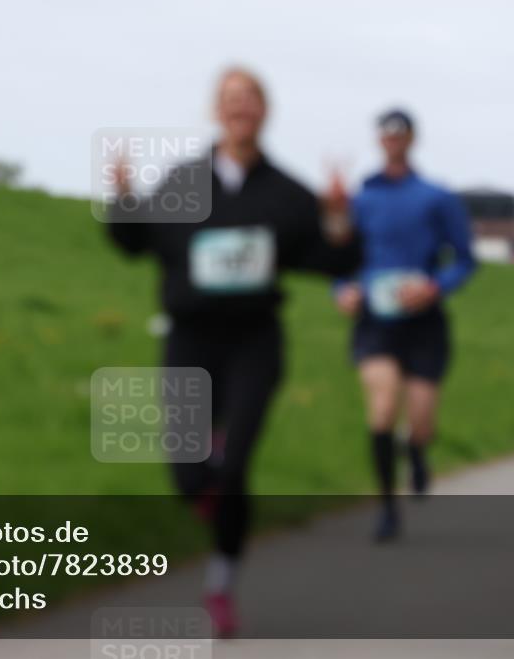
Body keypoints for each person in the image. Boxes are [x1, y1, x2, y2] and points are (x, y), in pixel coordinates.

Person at [104, 67, 361, 637]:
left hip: (253, 341)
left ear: (264, 111)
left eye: (250, 99)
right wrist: (122, 197)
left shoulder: (288, 194)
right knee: (189, 474)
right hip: (191, 337)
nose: (240, 108)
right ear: (216, 111)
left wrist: (339, 218)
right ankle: (209, 481)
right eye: (230, 99)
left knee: (237, 466)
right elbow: (134, 243)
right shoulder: (183, 183)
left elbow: (335, 261)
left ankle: (220, 585)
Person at [334, 109, 477, 542]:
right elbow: (340, 258)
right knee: (381, 406)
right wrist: (343, 289)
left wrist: (435, 287)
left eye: (401, 133)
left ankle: (415, 449)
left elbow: (465, 259)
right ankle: (387, 508)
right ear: (379, 139)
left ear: (412, 138)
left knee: (420, 421)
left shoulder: (437, 197)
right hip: (376, 320)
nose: (393, 140)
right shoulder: (362, 198)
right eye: (386, 133)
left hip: (424, 323)